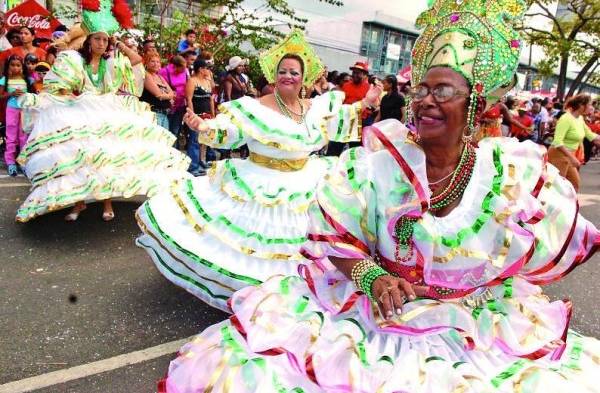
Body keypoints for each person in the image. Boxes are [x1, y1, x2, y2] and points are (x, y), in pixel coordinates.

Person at [156, 1, 600, 392]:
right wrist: (372, 277)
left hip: (471, 325)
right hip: (373, 317)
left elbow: (540, 246)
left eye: (442, 91)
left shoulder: (507, 177)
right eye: (420, 89)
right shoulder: (376, 165)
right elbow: (335, 236)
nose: (424, 100)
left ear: (475, 104)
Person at [135, 29, 381, 312]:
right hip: (260, 180)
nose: (288, 76)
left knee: (299, 248)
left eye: (294, 72)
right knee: (254, 249)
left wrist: (367, 102)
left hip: (305, 181)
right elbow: (231, 129)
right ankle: (253, 298)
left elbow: (340, 117)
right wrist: (203, 126)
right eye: (283, 71)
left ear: (303, 78)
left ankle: (289, 301)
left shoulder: (313, 108)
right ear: (275, 76)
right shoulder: (255, 107)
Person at [15, 2, 190, 223]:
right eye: (97, 38)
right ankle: (79, 202)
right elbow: (61, 86)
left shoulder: (111, 62)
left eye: (105, 39)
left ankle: (107, 202)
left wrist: (118, 42)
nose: (101, 43)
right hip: (81, 111)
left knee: (106, 159)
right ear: (88, 41)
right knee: (81, 158)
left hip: (106, 110)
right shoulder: (75, 59)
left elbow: (136, 61)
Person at [547, 94, 600, 192]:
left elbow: (590, 135)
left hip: (569, 155)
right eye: (589, 105)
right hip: (558, 155)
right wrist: (572, 158)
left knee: (574, 184)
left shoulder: (579, 118)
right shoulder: (566, 118)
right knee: (556, 187)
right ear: (581, 105)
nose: (591, 108)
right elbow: (557, 142)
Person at [327, 61, 372, 156]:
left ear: (364, 75)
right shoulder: (346, 85)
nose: (355, 75)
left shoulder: (369, 88)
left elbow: (371, 106)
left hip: (358, 124)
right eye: (354, 72)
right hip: (344, 121)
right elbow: (340, 101)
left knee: (355, 153)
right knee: (334, 148)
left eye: (358, 73)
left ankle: (352, 169)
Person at [0, 55, 32, 176]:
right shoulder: (5, 79)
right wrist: (11, 93)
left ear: (22, 66)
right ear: (8, 66)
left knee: (24, 136)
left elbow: (34, 92)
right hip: (12, 109)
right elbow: (1, 95)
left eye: (18, 65)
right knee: (11, 135)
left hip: (25, 109)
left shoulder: (28, 80)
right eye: (12, 65)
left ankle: (23, 162)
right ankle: (11, 162)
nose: (15, 68)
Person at [185, 58, 215, 176]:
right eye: (206, 68)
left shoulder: (207, 81)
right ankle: (193, 166)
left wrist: (213, 114)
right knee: (194, 141)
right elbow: (189, 98)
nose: (208, 70)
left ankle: (201, 161)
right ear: (201, 69)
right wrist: (192, 115)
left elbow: (211, 98)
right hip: (197, 114)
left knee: (205, 140)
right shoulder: (192, 81)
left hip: (207, 114)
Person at [159, 55, 189, 147]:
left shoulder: (185, 71)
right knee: (165, 131)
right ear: (175, 66)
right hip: (168, 105)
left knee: (175, 130)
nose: (184, 69)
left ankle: (174, 151)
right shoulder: (164, 72)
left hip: (180, 105)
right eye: (182, 68)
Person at [140, 52, 175, 129]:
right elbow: (158, 95)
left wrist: (167, 96)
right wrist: (169, 96)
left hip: (164, 114)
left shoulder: (159, 77)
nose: (156, 64)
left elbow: (172, 93)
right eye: (152, 61)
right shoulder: (146, 75)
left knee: (164, 140)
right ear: (146, 63)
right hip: (153, 114)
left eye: (158, 62)